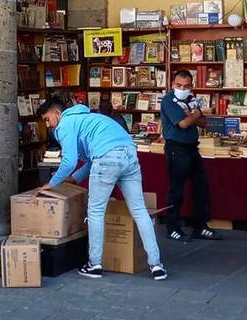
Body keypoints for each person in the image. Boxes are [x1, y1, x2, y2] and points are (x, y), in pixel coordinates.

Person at [37, 94, 166, 280]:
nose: (48, 124)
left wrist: (51, 183)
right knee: (139, 210)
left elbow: (69, 161)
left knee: (96, 211)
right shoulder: (89, 118)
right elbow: (90, 161)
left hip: (106, 158)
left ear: (57, 113)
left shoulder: (65, 124)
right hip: (129, 154)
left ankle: (94, 264)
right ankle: (156, 265)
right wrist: (74, 179)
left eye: (47, 119)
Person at [159, 70, 219, 241]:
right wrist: (196, 114)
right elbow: (184, 124)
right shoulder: (169, 100)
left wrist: (194, 116)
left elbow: (204, 123)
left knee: (202, 187)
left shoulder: (191, 99)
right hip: (176, 148)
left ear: (191, 86)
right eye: (179, 85)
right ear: (172, 84)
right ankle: (173, 227)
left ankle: (200, 226)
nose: (182, 89)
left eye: (186, 86)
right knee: (176, 190)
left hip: (193, 148)